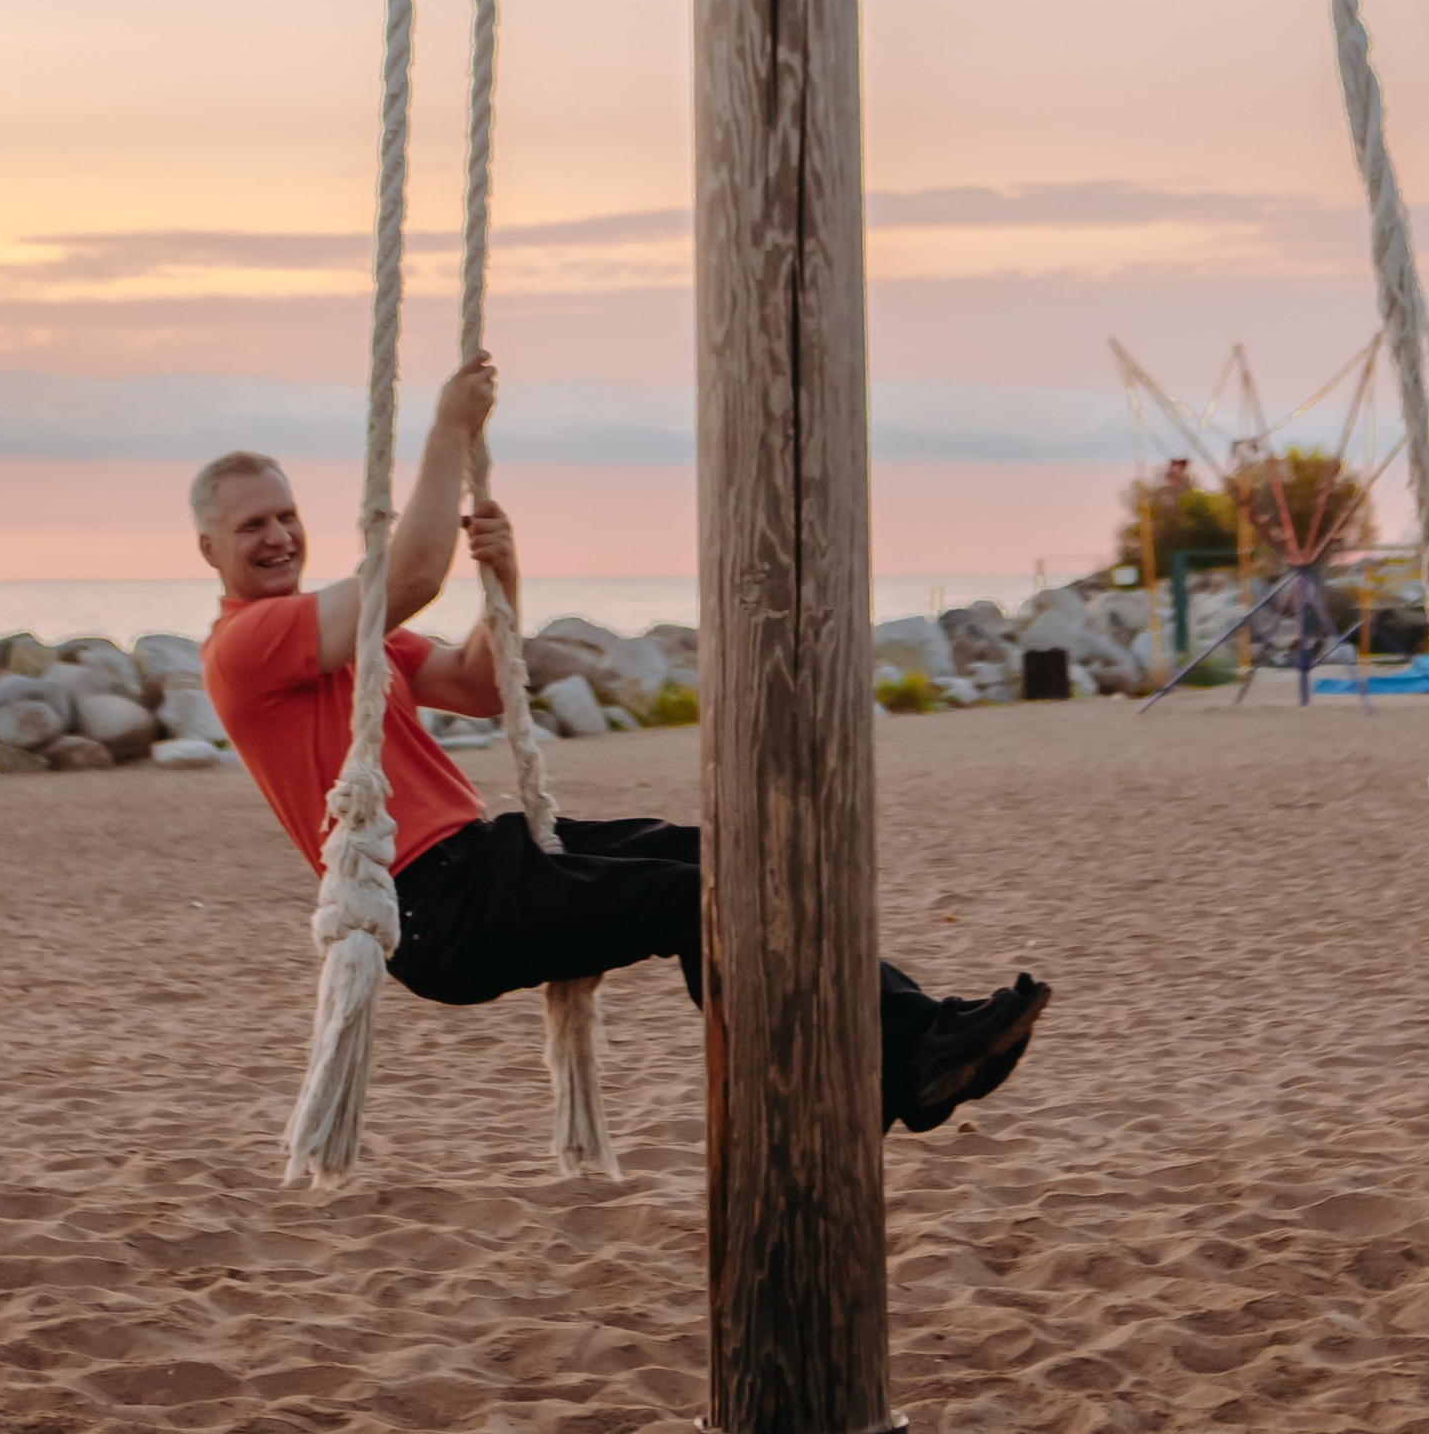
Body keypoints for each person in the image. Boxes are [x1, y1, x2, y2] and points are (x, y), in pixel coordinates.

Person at [194, 353, 1048, 1132]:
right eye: (251, 527)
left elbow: (477, 686)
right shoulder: (248, 646)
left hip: (483, 860)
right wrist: (449, 431)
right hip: (433, 906)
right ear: (210, 550)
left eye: (286, 516)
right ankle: (860, 1067)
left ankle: (910, 1044)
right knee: (694, 900)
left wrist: (506, 582)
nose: (278, 538)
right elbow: (410, 576)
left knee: (720, 859)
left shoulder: (343, 637)